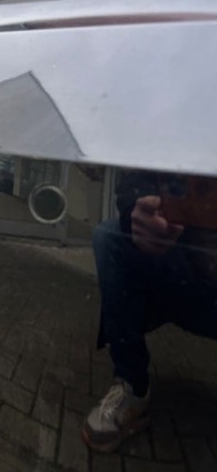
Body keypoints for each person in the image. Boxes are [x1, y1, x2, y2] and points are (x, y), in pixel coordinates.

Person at [82, 170, 217, 452]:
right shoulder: (178, 144)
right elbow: (138, 175)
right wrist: (140, 209)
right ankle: (132, 386)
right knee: (109, 237)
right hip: (183, 272)